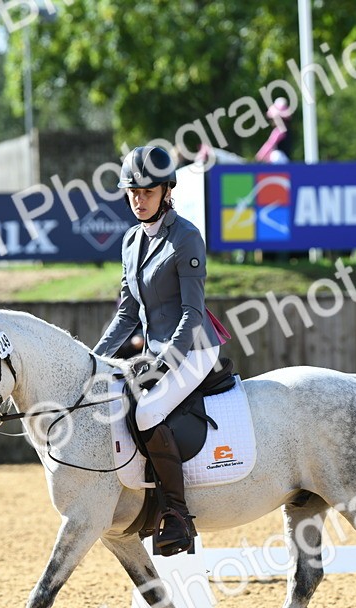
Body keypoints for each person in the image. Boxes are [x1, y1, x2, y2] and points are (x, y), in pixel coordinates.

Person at [93, 145, 224, 556]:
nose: (138, 199)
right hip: (153, 351)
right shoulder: (131, 240)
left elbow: (192, 312)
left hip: (194, 348)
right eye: (132, 192)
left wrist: (167, 361)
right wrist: (93, 359)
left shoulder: (186, 238)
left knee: (148, 411)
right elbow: (127, 313)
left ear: (167, 191)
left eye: (147, 192)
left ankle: (179, 515)